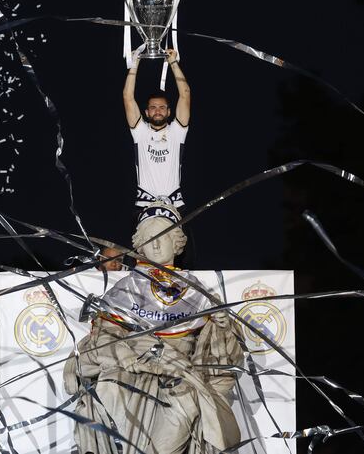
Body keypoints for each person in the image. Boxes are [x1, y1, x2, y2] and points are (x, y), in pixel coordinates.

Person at [64, 202, 243, 454]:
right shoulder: (126, 288)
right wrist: (128, 356)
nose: (156, 245)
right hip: (132, 371)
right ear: (140, 244)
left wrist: (223, 327)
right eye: (149, 238)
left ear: (177, 242)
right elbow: (104, 336)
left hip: (179, 376)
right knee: (109, 389)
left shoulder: (198, 291)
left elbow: (222, 353)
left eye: (163, 237)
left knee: (186, 404)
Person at [123, 48, 191, 209]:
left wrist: (173, 61)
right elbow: (128, 97)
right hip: (144, 204)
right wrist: (135, 62)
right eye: (153, 107)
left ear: (169, 111)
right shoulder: (141, 132)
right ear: (146, 112)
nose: (158, 110)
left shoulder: (177, 132)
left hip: (175, 204)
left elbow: (185, 94)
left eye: (162, 107)